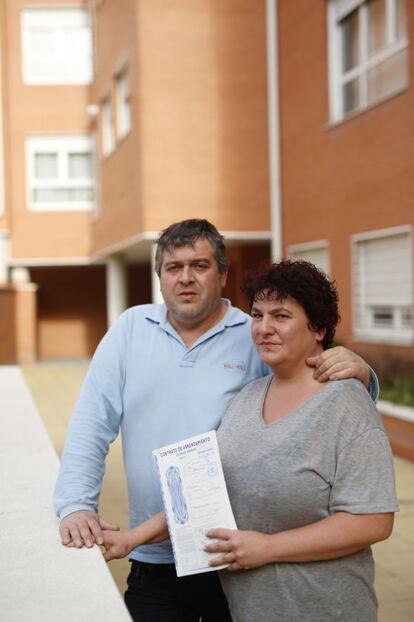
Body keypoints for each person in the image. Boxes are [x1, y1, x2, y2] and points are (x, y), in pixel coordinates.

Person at [54, 220, 377, 622]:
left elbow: (312, 388)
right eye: (173, 267)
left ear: (223, 274)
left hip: (234, 556)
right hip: (153, 559)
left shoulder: (255, 333)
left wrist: (362, 373)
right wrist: (76, 505)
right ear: (160, 277)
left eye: (200, 265)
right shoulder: (130, 330)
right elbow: (91, 424)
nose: (185, 278)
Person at [201, 260, 398, 621]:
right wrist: (132, 539)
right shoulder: (246, 398)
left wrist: (268, 548)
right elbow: (209, 486)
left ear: (319, 327)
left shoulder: (346, 404)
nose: (264, 328)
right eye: (257, 315)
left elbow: (373, 520)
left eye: (281, 316)